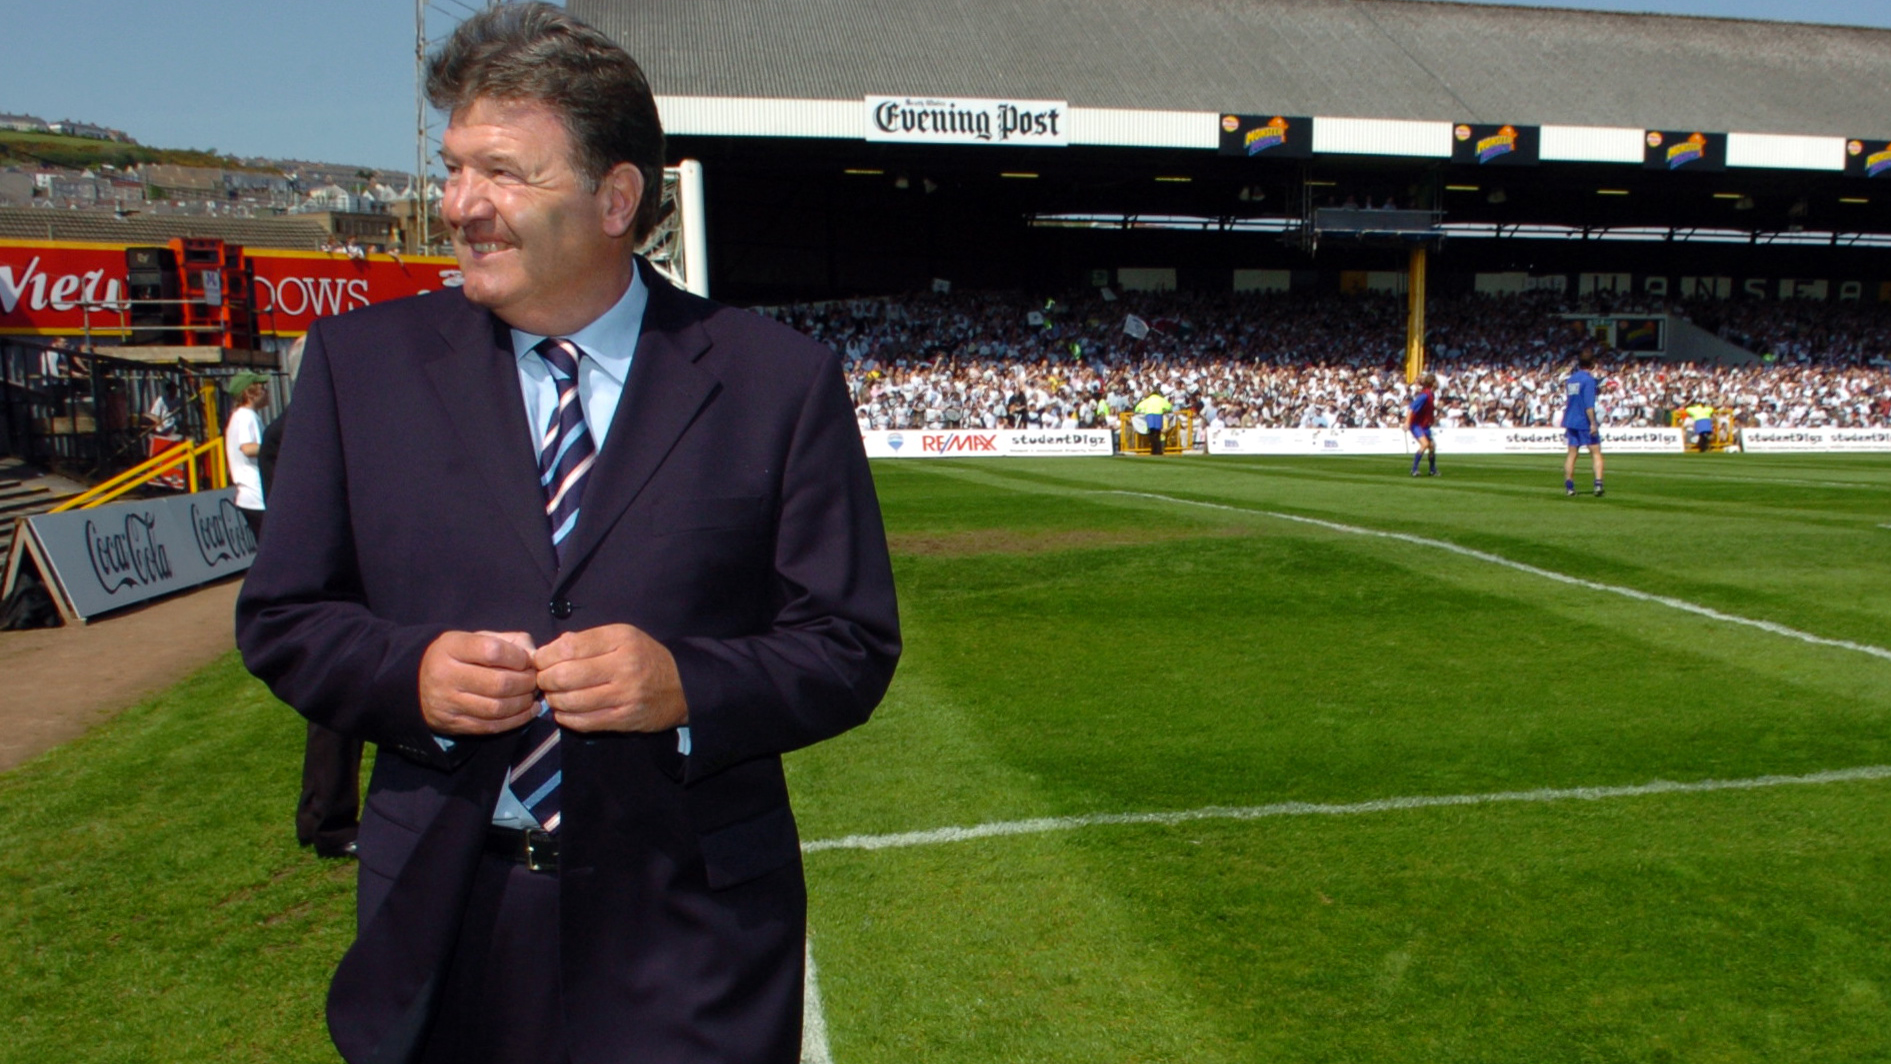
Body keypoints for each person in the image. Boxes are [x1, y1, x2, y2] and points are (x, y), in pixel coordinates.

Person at [234, 6, 901, 1063]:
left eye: (501, 173)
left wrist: (685, 684)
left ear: (615, 197)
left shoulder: (775, 381)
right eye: (453, 170)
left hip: (690, 937)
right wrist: (411, 673)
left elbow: (849, 643)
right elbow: (283, 616)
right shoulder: (360, 368)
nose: (460, 206)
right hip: (443, 925)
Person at [258, 338, 366, 862]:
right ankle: (328, 820)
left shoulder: (333, 421)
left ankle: (327, 815)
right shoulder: (295, 431)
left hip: (353, 587)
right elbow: (300, 523)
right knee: (335, 715)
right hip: (335, 594)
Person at [222, 371, 270, 539]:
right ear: (250, 393)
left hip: (250, 495)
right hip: (256, 495)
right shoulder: (247, 416)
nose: (266, 391)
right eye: (262, 387)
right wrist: (276, 447)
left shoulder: (238, 416)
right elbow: (248, 448)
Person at [1563, 350, 1605, 497]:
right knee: (1596, 452)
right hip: (1583, 421)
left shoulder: (1571, 379)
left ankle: (1569, 486)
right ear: (1592, 364)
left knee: (1572, 454)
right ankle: (1598, 484)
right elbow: (1588, 405)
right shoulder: (1588, 380)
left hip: (1570, 419)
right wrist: (1593, 423)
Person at [1406, 371, 1438, 477]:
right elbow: (1411, 408)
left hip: (1424, 425)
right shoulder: (1424, 395)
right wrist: (1407, 422)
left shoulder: (1430, 394)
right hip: (1416, 424)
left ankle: (1432, 470)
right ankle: (1414, 469)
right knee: (1425, 445)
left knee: (1432, 446)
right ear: (1432, 383)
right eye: (1436, 381)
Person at [1134, 388, 1173, 455]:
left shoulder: (1148, 400)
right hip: (1158, 416)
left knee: (1151, 433)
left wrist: (1136, 411)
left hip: (1150, 416)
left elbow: (1138, 407)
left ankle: (1154, 449)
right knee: (1157, 433)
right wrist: (1165, 410)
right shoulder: (1161, 400)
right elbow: (1169, 407)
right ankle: (1158, 450)